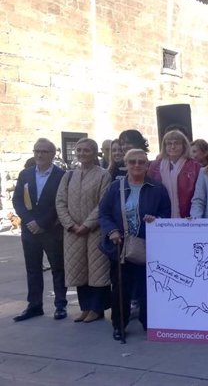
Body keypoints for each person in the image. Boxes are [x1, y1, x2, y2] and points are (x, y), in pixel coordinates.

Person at [99, 149, 171, 341]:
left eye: (141, 162)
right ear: (126, 164)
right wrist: (111, 230)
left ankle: (148, 321)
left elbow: (166, 213)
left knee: (148, 286)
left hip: (147, 245)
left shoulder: (157, 188)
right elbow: (104, 213)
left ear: (147, 165)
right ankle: (119, 324)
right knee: (120, 287)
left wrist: (156, 219)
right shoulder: (116, 187)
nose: (137, 165)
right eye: (132, 162)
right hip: (120, 246)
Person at [55, 138, 112, 323]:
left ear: (95, 153)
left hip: (94, 230)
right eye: (78, 150)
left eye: (86, 150)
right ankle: (85, 307)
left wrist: (87, 224)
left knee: (97, 271)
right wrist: (70, 224)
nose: (81, 154)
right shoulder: (68, 175)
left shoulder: (104, 175)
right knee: (78, 270)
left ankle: (97, 308)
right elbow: (60, 202)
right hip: (73, 232)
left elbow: (103, 203)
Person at [12, 138, 68, 321]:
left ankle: (60, 305)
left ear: (52, 154)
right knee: (33, 269)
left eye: (44, 151)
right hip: (29, 231)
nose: (39, 154)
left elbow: (60, 203)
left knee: (58, 268)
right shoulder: (25, 174)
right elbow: (18, 200)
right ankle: (34, 305)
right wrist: (28, 221)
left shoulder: (61, 175)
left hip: (51, 230)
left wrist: (42, 223)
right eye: (37, 151)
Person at [147, 130, 200, 219]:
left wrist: (194, 215)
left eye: (177, 143)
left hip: (188, 217)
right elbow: (149, 192)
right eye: (169, 144)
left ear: (184, 145)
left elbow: (198, 196)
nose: (173, 146)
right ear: (164, 146)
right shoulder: (155, 166)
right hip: (160, 216)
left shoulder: (195, 166)